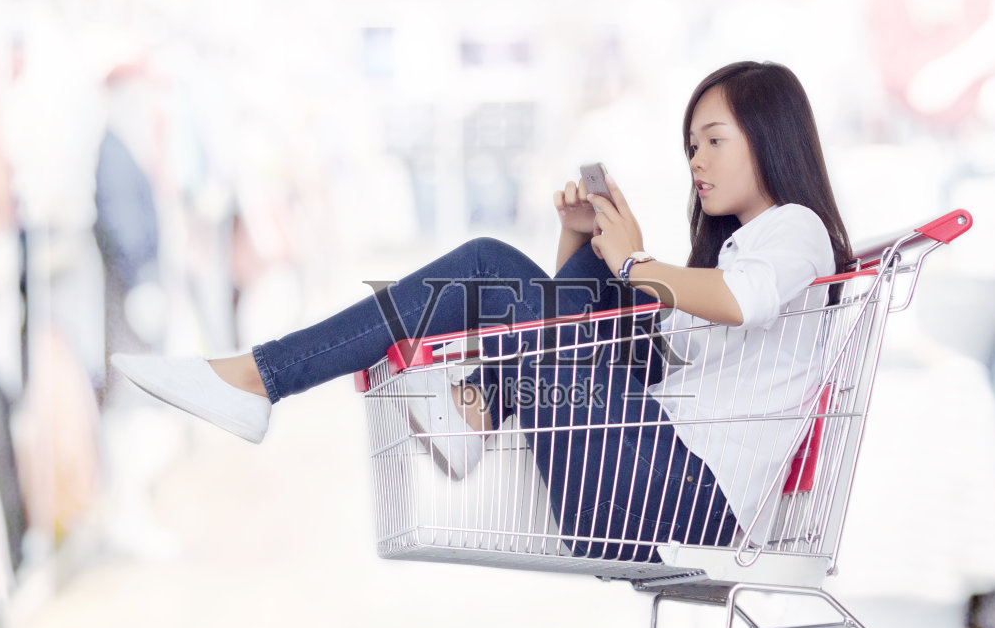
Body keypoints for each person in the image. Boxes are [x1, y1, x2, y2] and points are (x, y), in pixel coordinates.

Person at [115, 60, 852, 560]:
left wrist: (635, 262)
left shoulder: (798, 230)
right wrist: (584, 241)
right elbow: (626, 348)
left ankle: (268, 379)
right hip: (650, 479)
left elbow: (745, 302)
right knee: (573, 282)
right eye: (691, 144)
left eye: (715, 141)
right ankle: (469, 405)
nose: (697, 161)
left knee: (490, 266)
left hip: (684, 495)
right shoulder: (737, 251)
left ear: (771, 138)